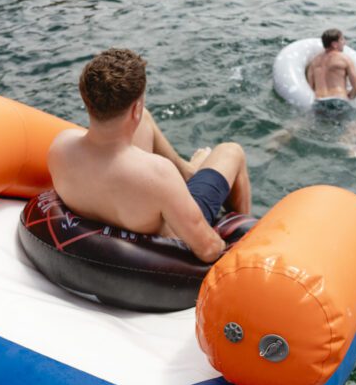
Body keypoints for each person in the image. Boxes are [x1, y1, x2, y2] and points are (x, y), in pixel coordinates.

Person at [48, 49, 252, 264]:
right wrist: (229, 243)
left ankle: (189, 170)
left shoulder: (60, 147)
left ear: (86, 99)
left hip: (127, 204)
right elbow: (208, 249)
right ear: (135, 108)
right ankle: (241, 223)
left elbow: (132, 127)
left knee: (145, 121)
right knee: (231, 151)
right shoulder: (158, 174)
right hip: (170, 233)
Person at [306, 29, 356, 100]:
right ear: (334, 44)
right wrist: (348, 98)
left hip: (319, 101)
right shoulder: (344, 58)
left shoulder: (314, 62)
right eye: (342, 40)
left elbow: (310, 88)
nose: (344, 43)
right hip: (338, 100)